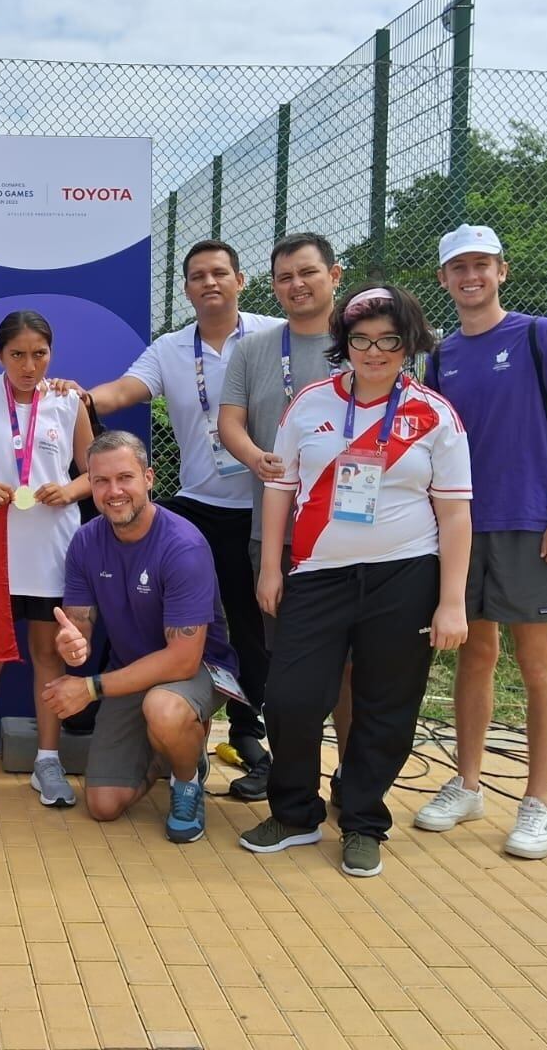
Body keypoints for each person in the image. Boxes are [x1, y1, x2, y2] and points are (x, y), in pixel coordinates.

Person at [239, 285, 472, 879]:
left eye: (389, 340)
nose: (374, 352)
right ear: (346, 344)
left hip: (406, 576)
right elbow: (279, 489)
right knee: (291, 699)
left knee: (386, 706)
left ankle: (364, 820)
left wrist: (451, 602)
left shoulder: (434, 415)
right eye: (363, 340)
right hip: (316, 575)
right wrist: (271, 568)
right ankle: (295, 814)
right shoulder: (311, 405)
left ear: (408, 344)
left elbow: (455, 513)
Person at [52, 239, 281, 791]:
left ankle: (251, 736)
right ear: (186, 288)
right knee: (131, 586)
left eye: (220, 273)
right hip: (201, 502)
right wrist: (82, 397)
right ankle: (124, 705)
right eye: (198, 275)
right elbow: (126, 389)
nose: (210, 283)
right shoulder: (171, 348)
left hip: (269, 502)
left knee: (257, 627)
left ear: (241, 280)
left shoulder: (275, 336)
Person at [413, 224, 547, 860]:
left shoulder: (539, 335)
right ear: (443, 279)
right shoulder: (441, 357)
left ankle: (539, 801)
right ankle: (467, 784)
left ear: (501, 272)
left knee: (539, 662)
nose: (471, 276)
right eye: (459, 267)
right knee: (475, 652)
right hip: (462, 527)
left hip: (530, 524)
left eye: (482, 265)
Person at [44, 432, 241, 843]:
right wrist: (73, 644)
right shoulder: (85, 541)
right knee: (103, 806)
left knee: (164, 709)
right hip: (131, 671)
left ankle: (186, 779)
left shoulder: (182, 545)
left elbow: (182, 661)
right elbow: (78, 626)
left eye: (125, 478)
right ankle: (167, 753)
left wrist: (91, 686)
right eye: (100, 481)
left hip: (198, 670)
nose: (113, 491)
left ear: (149, 478)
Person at [217, 232, 351, 802]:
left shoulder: (364, 344)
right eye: (284, 277)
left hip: (352, 535)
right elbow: (231, 423)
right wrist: (259, 459)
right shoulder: (252, 349)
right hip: (274, 535)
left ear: (334, 276)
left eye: (307, 273)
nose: (296, 285)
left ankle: (351, 777)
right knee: (288, 665)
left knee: (351, 667)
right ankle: (293, 779)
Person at [0, 310, 94, 810]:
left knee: (47, 653)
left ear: (52, 353)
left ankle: (47, 761)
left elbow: (93, 469)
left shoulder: (68, 399)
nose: (29, 365)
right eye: (17, 355)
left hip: (51, 548)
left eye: (39, 354)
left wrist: (69, 489)